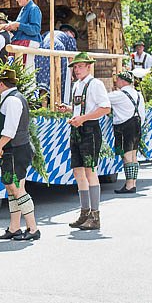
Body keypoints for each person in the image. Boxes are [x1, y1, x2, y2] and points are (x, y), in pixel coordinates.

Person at [56, 52, 111, 231]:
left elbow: (105, 108)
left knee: (90, 172)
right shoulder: (77, 86)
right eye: (75, 67)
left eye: (80, 66)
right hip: (76, 129)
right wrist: (70, 110)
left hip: (90, 130)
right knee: (78, 172)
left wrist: (83, 118)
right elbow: (84, 106)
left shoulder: (96, 84)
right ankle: (84, 212)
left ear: (89, 66)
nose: (77, 70)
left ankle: (95, 216)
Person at [0, 69, 40, 240]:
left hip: (14, 149)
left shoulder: (11, 100)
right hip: (16, 149)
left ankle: (33, 228)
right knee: (12, 189)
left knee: (16, 188)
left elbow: (10, 129)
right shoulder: (14, 97)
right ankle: (14, 227)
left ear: (1, 84)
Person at [108, 71, 146, 194]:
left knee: (127, 156)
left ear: (123, 81)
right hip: (137, 124)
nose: (116, 81)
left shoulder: (119, 95)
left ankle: (129, 185)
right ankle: (133, 183)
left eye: (118, 79)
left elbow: (102, 99)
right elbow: (143, 114)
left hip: (125, 126)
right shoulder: (138, 94)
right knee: (133, 156)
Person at [2, 0, 42, 73]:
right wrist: (10, 28)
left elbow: (35, 29)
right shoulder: (23, 10)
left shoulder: (33, 8)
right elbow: (20, 30)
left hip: (29, 44)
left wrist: (18, 25)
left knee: (26, 71)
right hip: (20, 43)